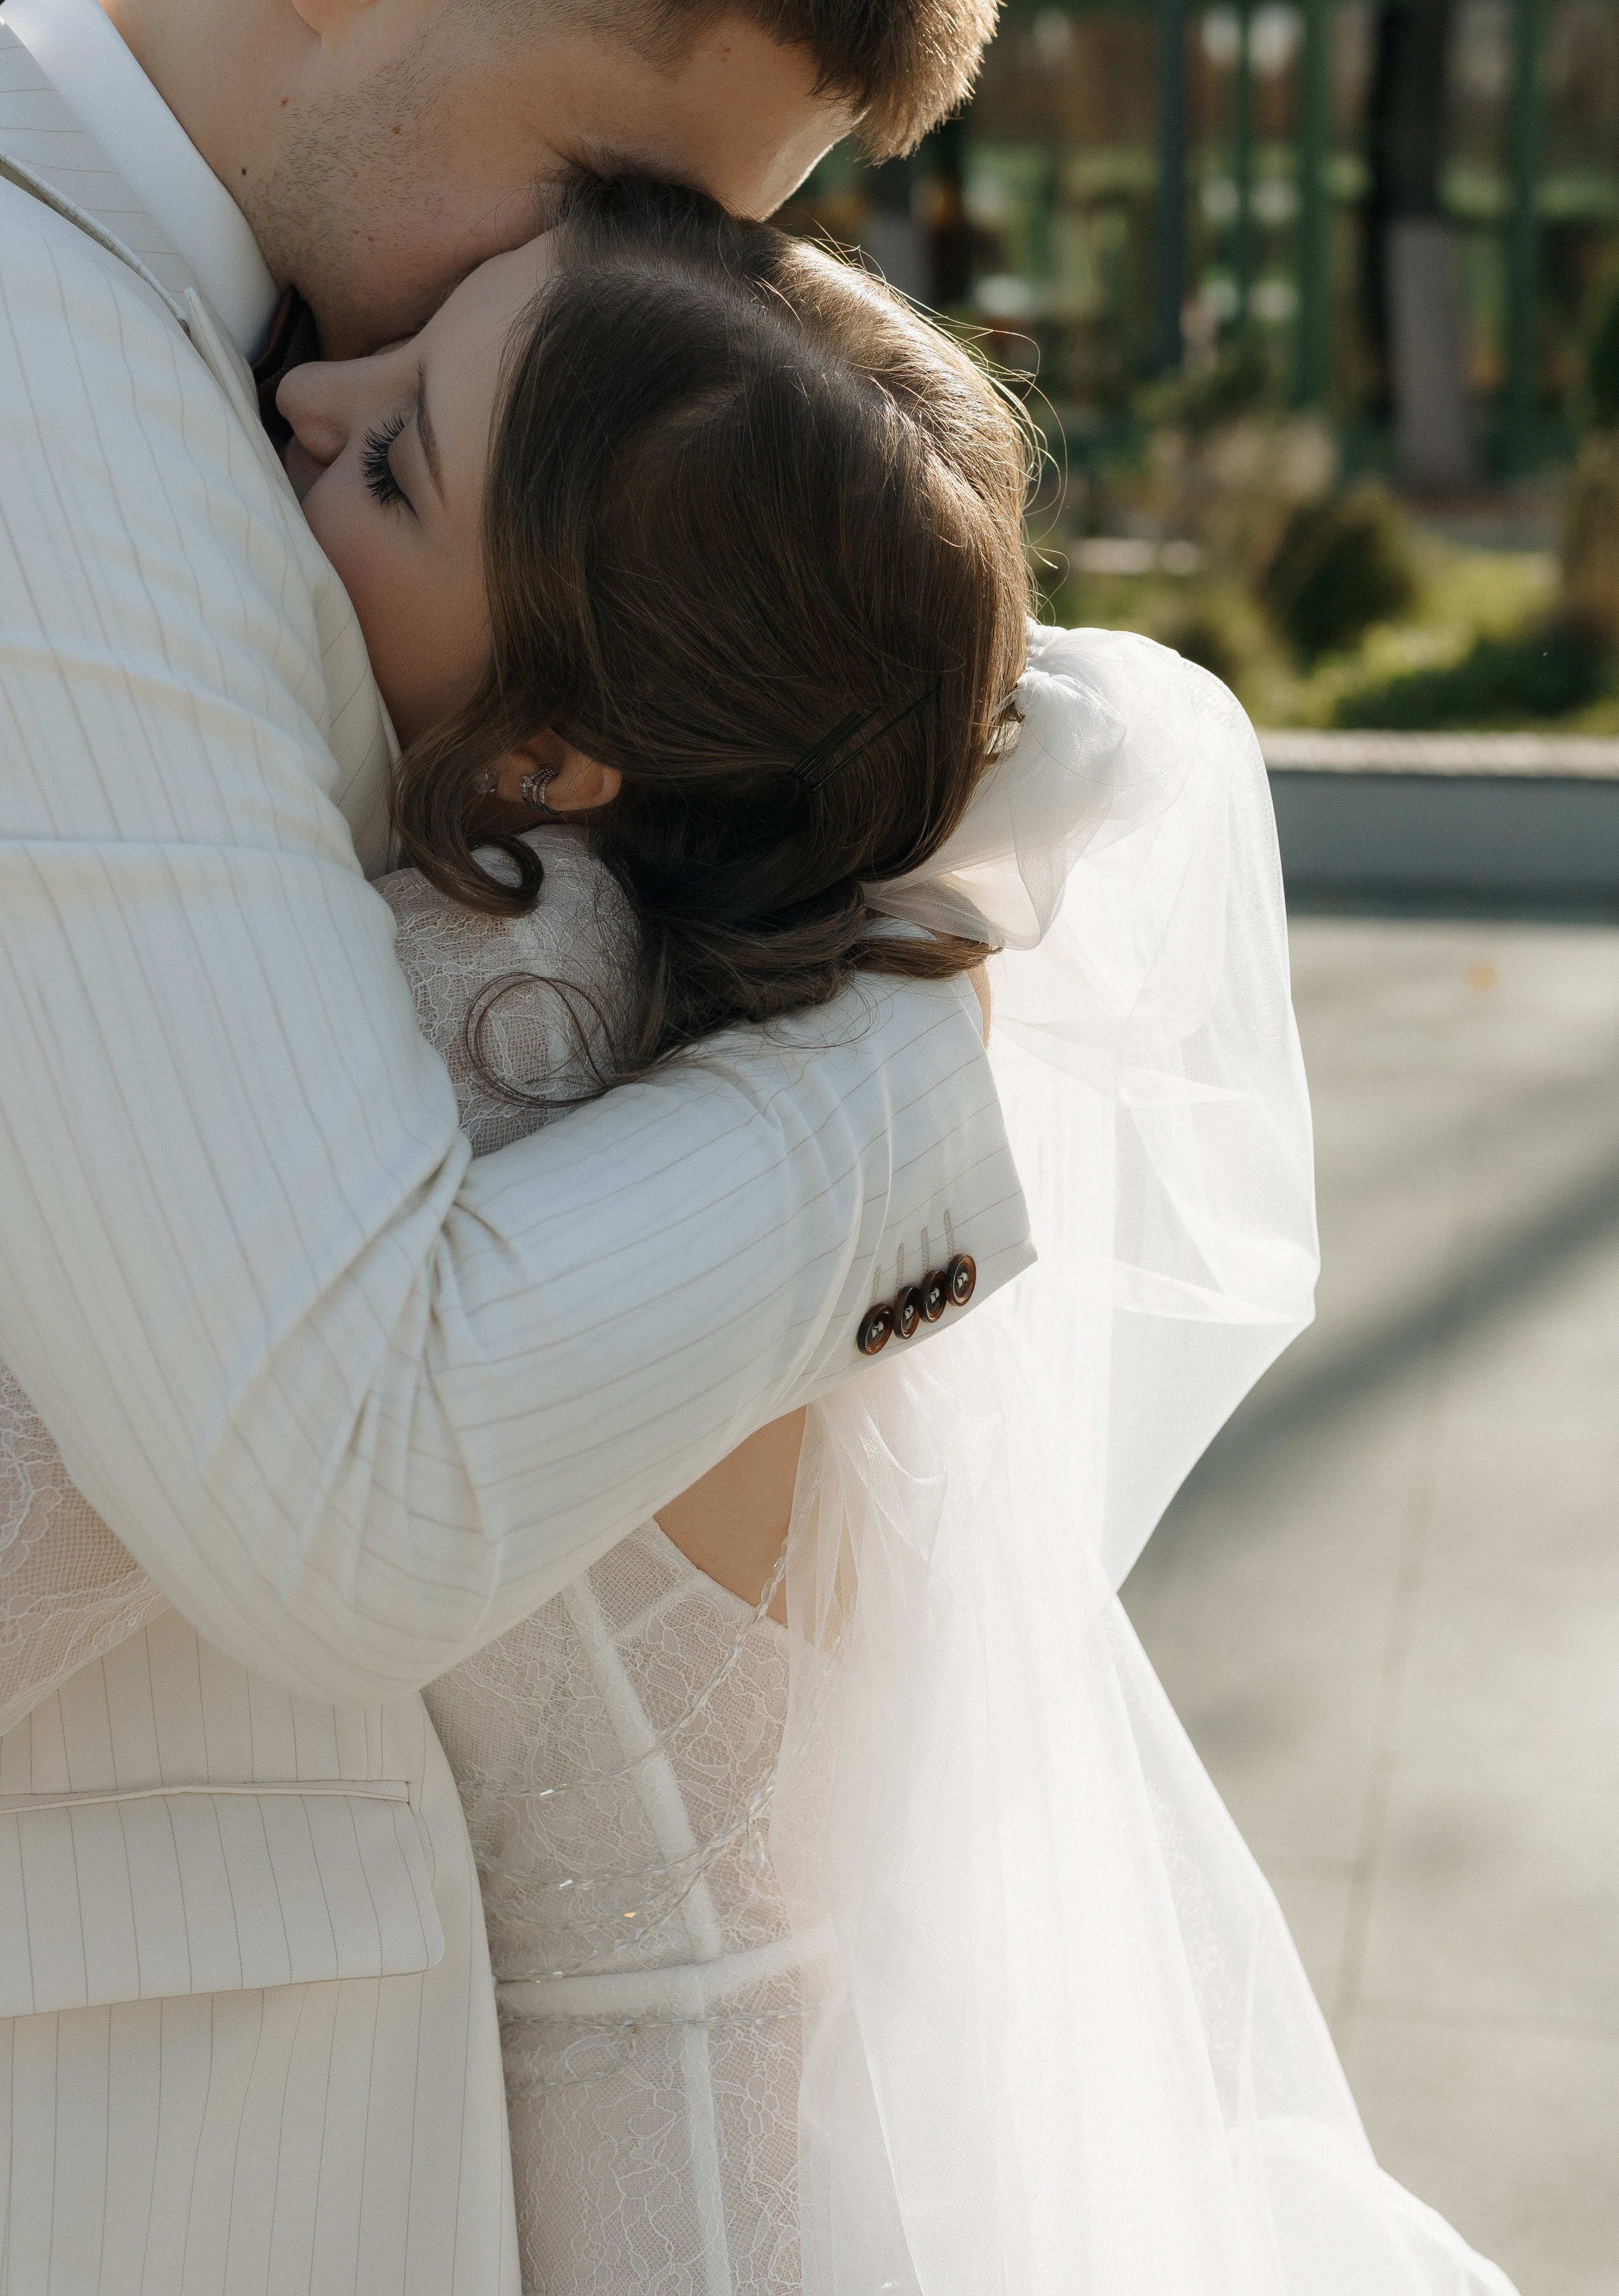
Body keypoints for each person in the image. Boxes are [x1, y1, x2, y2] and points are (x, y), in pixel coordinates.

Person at [0, 173, 1518, 2296]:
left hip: (683, 2204)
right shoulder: (792, 940)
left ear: (554, 748)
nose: (296, 400)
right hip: (830, 2111)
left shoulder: (504, 1012)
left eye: (392, 459)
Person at [0, 0, 1023, 2288]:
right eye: (620, 199)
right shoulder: (58, 390)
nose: (646, 283)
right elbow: (330, 1481)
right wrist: (910, 1091)